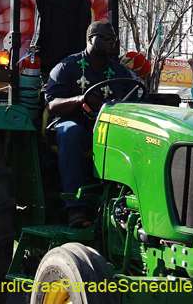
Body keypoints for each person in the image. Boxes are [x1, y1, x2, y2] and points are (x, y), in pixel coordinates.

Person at [45, 21, 138, 228]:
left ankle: (128, 206)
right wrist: (80, 100)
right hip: (76, 126)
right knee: (71, 132)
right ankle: (76, 208)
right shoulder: (67, 67)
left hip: (109, 129)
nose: (111, 42)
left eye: (114, 39)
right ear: (90, 39)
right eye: (105, 38)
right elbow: (52, 105)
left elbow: (134, 99)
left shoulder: (119, 71)